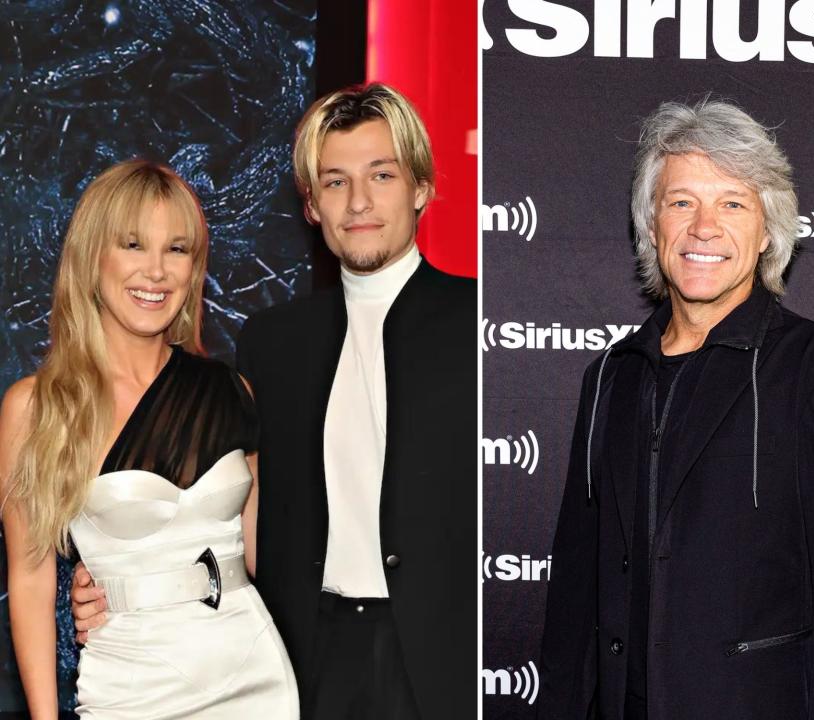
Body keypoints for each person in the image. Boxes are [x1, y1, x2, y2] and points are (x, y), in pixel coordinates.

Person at [74, 84, 477, 719]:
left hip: (443, 657)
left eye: (382, 175)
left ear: (421, 188)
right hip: (299, 659)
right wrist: (119, 579)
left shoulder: (479, 323)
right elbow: (228, 504)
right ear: (312, 205)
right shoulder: (273, 342)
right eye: (336, 182)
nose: (361, 201)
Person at [537, 100, 814, 720]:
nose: (704, 227)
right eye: (681, 203)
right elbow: (576, 589)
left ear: (768, 231)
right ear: (652, 226)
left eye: (732, 203)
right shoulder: (610, 378)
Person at [1, 160, 298, 719]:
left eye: (177, 249)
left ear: (195, 269)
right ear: (93, 258)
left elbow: (272, 555)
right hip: (130, 689)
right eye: (134, 245)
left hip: (254, 674)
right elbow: (31, 577)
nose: (156, 271)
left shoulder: (232, 391)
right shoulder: (37, 407)